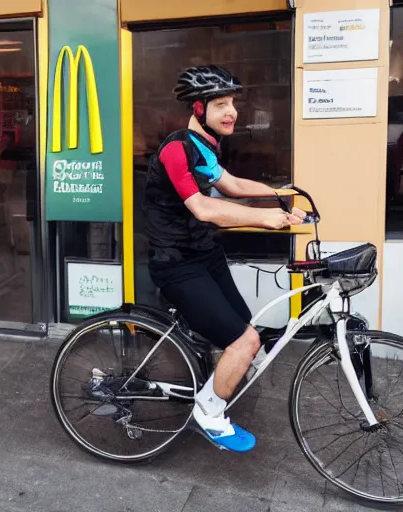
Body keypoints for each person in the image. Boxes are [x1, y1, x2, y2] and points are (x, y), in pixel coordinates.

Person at [142, 65, 306, 452]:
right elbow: (202, 208)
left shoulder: (204, 147)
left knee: (243, 332)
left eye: (232, 103)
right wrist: (265, 218)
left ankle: (217, 374)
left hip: (205, 254)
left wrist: (281, 194)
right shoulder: (176, 149)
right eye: (221, 104)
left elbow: (230, 184)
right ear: (198, 109)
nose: (231, 111)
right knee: (245, 341)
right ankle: (209, 412)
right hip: (176, 263)